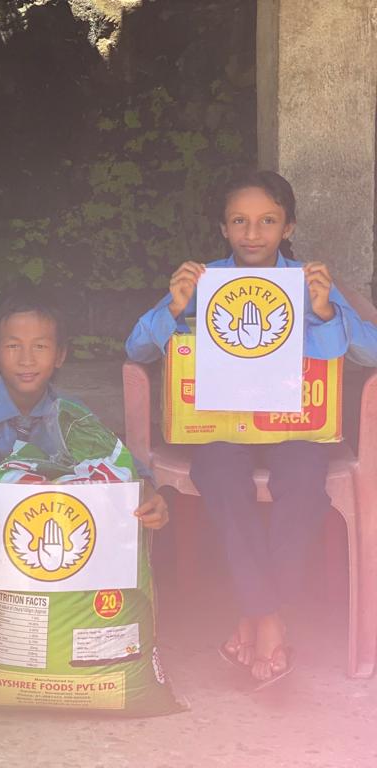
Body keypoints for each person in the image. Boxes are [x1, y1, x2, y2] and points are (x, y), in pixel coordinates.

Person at [125, 169, 377, 686]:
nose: (253, 233)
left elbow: (369, 352)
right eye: (239, 221)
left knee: (303, 483)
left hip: (295, 431)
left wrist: (326, 312)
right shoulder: (205, 281)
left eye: (267, 221)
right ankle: (271, 619)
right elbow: (137, 350)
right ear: (223, 228)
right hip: (222, 431)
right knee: (220, 479)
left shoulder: (308, 281)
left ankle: (253, 615)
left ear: (289, 227)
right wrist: (175, 305)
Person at [0, 290, 170, 543]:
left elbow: (123, 465)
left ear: (59, 355)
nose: (27, 360)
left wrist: (147, 493)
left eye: (40, 346)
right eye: (13, 346)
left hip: (54, 538)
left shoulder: (71, 415)